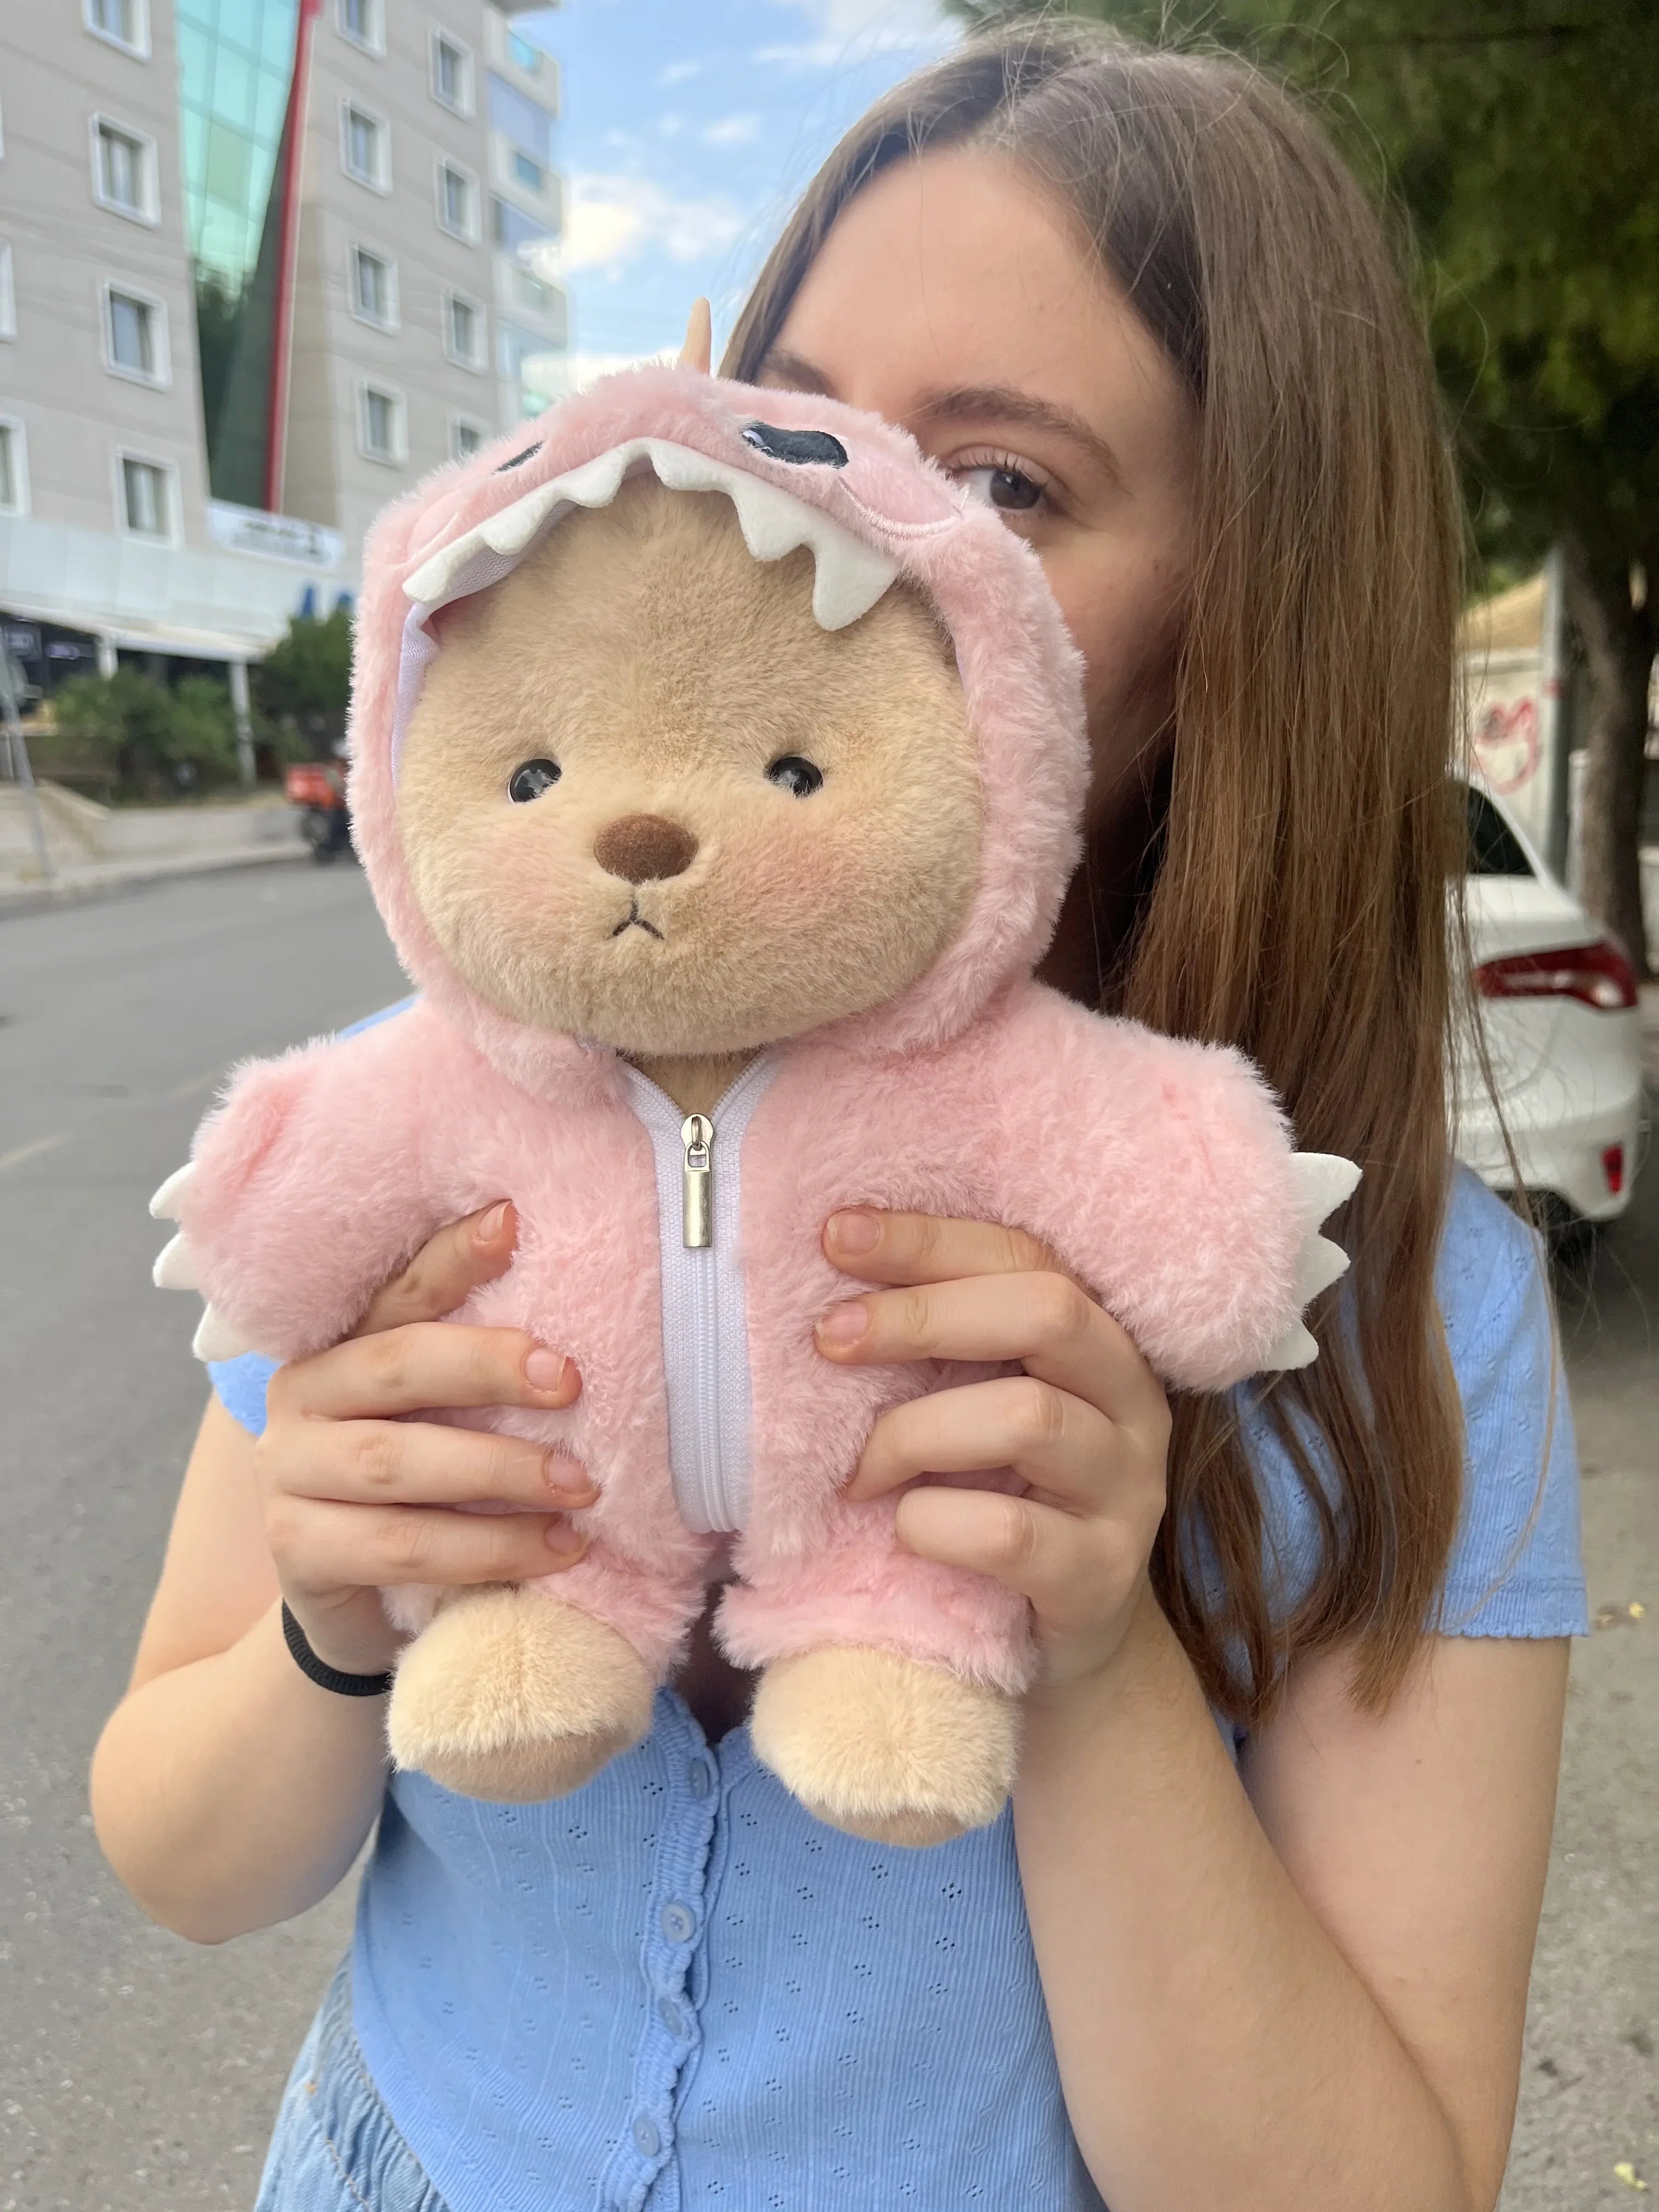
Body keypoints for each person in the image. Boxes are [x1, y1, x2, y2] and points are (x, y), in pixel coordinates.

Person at [91, 24, 1585, 2212]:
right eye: (799, 424)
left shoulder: (1400, 1316)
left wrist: (1088, 1648)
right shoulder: (445, 1119)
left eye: (1005, 485)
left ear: (1237, 622)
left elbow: (1375, 2188)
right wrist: (334, 1622)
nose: (840, 540)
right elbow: (182, 1857)